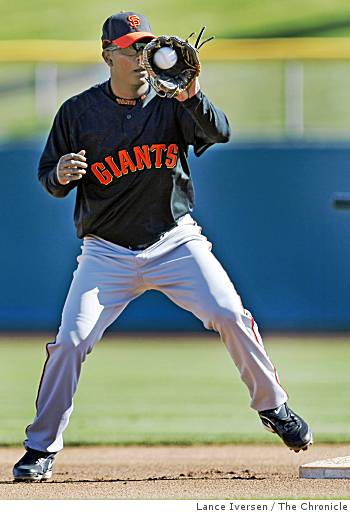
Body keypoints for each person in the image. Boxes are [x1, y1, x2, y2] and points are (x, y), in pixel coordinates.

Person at [13, 11, 312, 482]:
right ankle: (40, 448)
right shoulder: (78, 112)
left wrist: (191, 94)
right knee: (70, 342)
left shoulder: (173, 104)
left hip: (175, 241)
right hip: (106, 252)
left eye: (144, 45)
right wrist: (60, 175)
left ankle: (273, 407)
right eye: (129, 47)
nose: (139, 55)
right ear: (107, 54)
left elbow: (220, 132)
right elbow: (49, 178)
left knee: (231, 314)